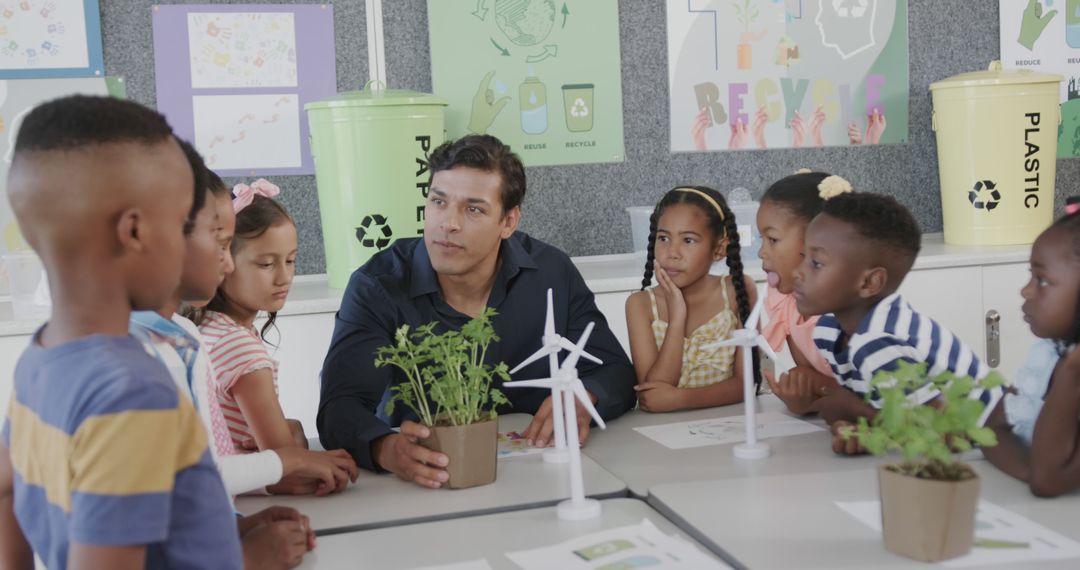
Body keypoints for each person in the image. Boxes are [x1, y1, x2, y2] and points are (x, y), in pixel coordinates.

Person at [0, 95, 241, 569]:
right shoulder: (132, 394)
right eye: (178, 224)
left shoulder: (40, 359)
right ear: (134, 232)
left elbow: (6, 486)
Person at [319, 134, 636, 488]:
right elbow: (339, 407)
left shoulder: (551, 272)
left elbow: (615, 370)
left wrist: (585, 395)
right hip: (428, 481)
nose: (448, 223)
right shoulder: (378, 285)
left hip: (542, 475)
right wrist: (385, 448)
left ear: (508, 222)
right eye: (438, 202)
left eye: (473, 209)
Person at [793, 192, 1002, 454]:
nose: (797, 271)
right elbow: (888, 406)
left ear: (869, 283)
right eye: (803, 256)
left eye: (816, 263)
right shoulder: (828, 330)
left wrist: (855, 411)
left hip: (1000, 445)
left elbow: (949, 433)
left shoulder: (879, 341)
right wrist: (863, 428)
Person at [624, 186, 757, 412]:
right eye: (663, 238)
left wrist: (679, 399)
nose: (672, 252)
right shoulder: (641, 305)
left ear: (719, 249)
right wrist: (677, 317)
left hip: (732, 427)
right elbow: (652, 395)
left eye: (688, 240)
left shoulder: (738, 290)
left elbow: (746, 383)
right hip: (661, 437)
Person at [983, 208, 1080, 497]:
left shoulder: (1069, 366)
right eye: (1031, 275)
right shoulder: (1048, 353)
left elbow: (1048, 481)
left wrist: (1072, 372)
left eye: (1043, 280)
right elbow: (990, 433)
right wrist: (1030, 469)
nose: (1025, 291)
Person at [756, 170, 845, 414]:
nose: (761, 253)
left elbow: (867, 392)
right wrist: (803, 395)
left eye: (772, 240)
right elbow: (812, 377)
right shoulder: (788, 302)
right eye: (760, 239)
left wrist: (817, 389)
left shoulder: (849, 312)